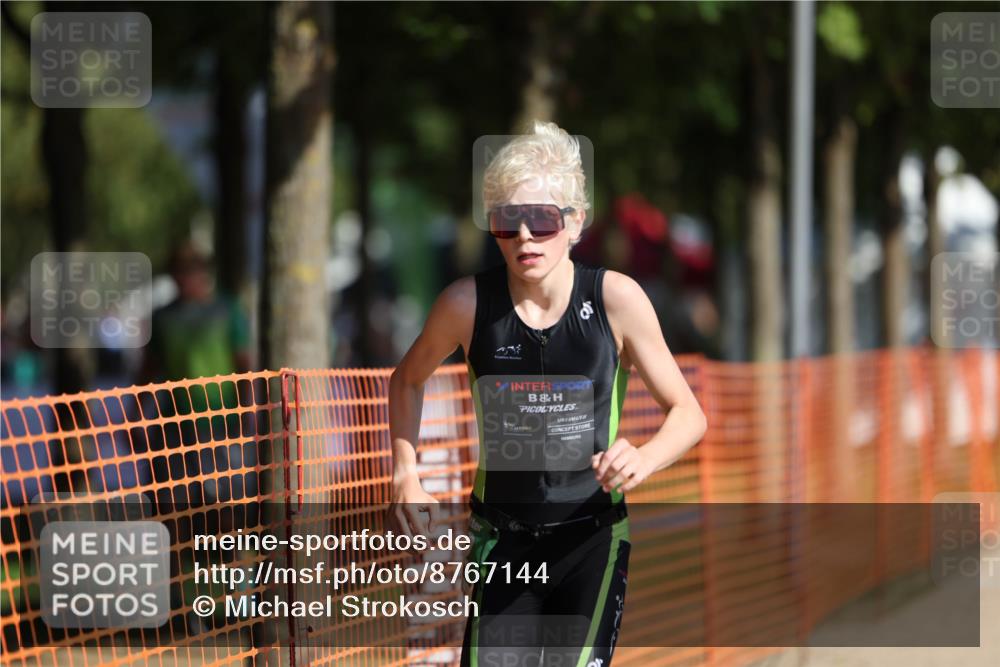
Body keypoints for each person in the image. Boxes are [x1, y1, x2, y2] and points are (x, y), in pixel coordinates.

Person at [388, 121, 707, 667]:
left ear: (575, 221)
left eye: (541, 219)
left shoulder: (616, 300)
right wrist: (404, 471)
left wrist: (644, 456)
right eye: (506, 224)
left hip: (591, 539)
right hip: (503, 543)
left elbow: (688, 413)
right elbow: (408, 379)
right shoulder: (466, 305)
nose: (525, 238)